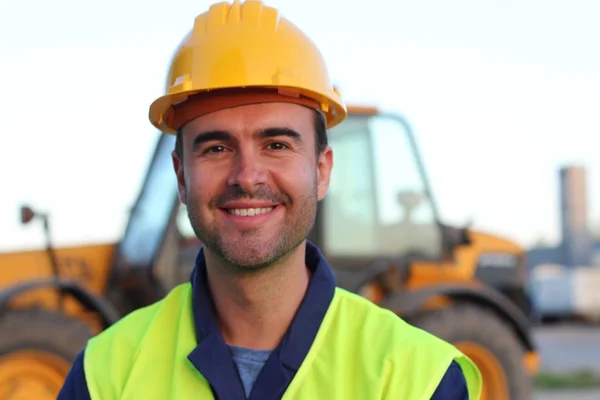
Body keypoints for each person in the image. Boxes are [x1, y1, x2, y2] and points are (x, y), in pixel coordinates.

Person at [58, 0, 482, 398]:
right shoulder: (104, 376)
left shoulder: (417, 381)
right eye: (217, 148)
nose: (247, 176)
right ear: (182, 176)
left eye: (276, 145)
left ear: (321, 170)